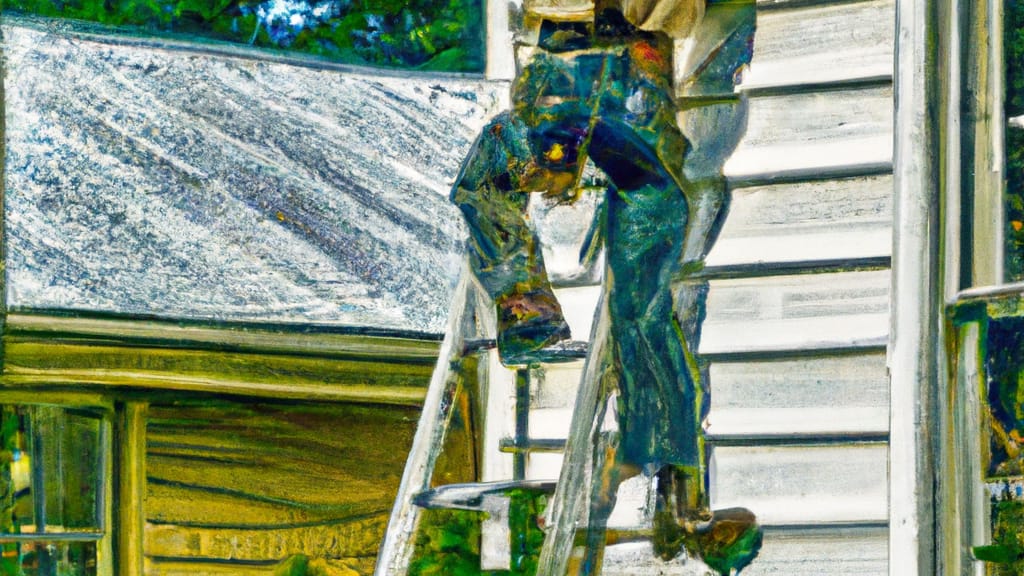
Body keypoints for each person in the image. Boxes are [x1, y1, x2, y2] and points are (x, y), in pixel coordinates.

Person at [450, 1, 761, 572]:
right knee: (642, 315)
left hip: (632, 155)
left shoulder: (602, 86)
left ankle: (668, 470)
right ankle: (669, 471)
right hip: (636, 147)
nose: (544, 186)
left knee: (642, 318)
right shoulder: (604, 83)